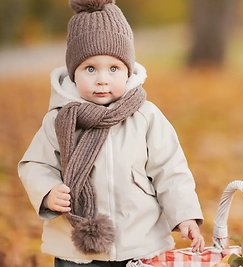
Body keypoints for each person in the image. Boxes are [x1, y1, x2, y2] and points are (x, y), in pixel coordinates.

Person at [17, 0, 205, 266]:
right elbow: (35, 164)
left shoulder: (146, 116)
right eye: (90, 68)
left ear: (128, 70)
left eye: (113, 68)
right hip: (75, 247)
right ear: (73, 73)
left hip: (140, 243)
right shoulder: (60, 119)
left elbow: (171, 170)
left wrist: (184, 215)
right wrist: (48, 191)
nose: (102, 79)